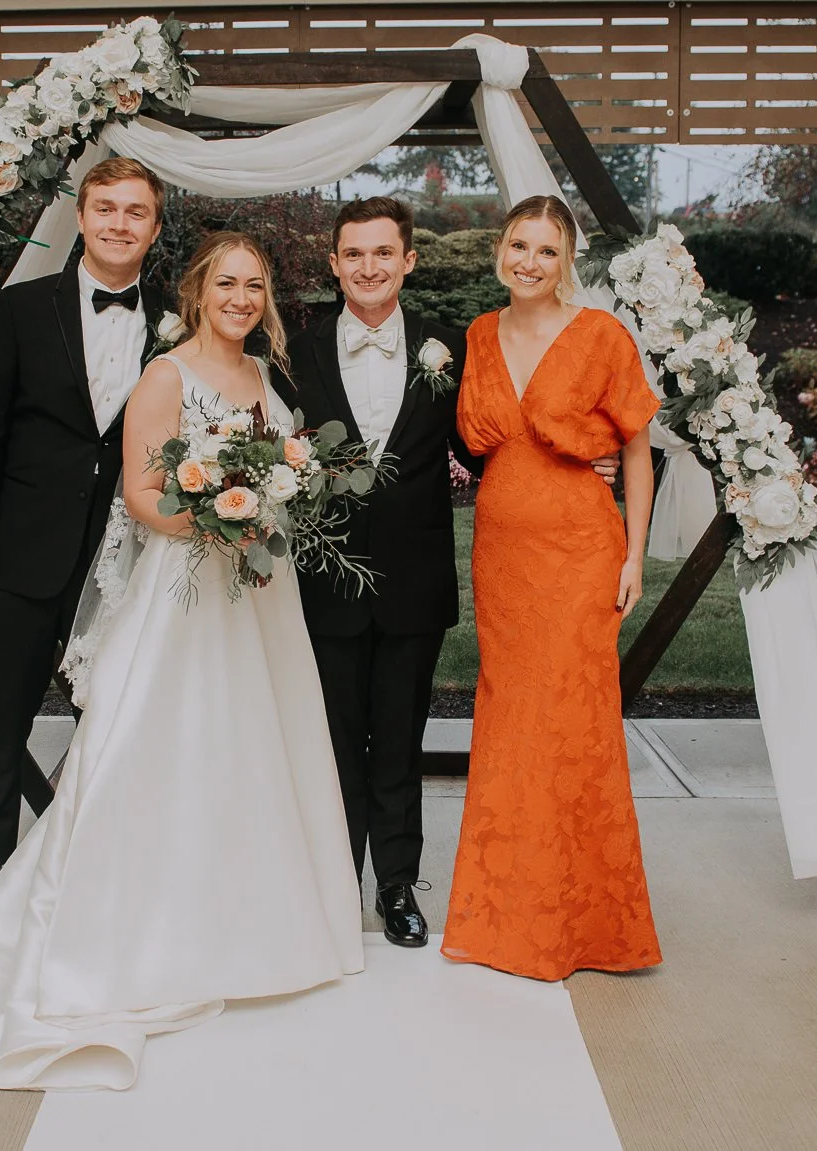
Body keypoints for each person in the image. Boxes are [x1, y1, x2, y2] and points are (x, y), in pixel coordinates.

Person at [0, 231, 363, 1092]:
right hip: (186, 591)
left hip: (259, 596)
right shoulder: (165, 375)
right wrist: (218, 520)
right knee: (162, 748)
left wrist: (273, 502)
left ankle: (251, 922)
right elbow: (142, 498)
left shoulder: (268, 381)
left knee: (255, 746)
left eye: (254, 286)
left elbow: (286, 472)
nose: (241, 298)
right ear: (197, 291)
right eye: (227, 283)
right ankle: (137, 927)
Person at [283, 196, 619, 949]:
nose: (369, 267)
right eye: (354, 254)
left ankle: (397, 885)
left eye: (383, 253)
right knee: (332, 741)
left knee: (400, 740)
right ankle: (334, 886)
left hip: (414, 577)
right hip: (325, 578)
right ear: (335, 264)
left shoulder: (451, 346)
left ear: (408, 260)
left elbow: (490, 441)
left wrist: (588, 455)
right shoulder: (296, 351)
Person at [442, 195, 663, 981]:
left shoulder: (602, 334)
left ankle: (586, 924)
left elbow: (636, 452)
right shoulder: (477, 334)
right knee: (509, 720)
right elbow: (470, 442)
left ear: (566, 259)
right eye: (517, 245)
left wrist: (634, 553)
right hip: (502, 555)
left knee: (574, 722)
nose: (528, 261)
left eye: (545, 249)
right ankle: (506, 914)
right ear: (498, 251)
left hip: (579, 552)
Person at [0, 156, 167, 905]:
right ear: (81, 218)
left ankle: (93, 866)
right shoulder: (21, 309)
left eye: (135, 211)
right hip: (20, 552)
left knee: (109, 719)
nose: (118, 222)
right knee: (3, 716)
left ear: (155, 227)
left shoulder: (176, 320)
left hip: (122, 559)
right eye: (105, 207)